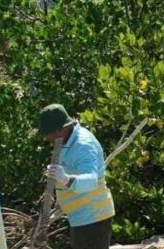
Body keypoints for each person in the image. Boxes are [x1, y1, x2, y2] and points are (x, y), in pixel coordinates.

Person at [38, 104, 115, 249]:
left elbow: (91, 180)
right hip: (81, 218)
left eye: (47, 133)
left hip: (93, 217)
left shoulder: (83, 145)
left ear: (60, 129)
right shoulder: (66, 141)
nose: (46, 138)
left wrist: (65, 179)